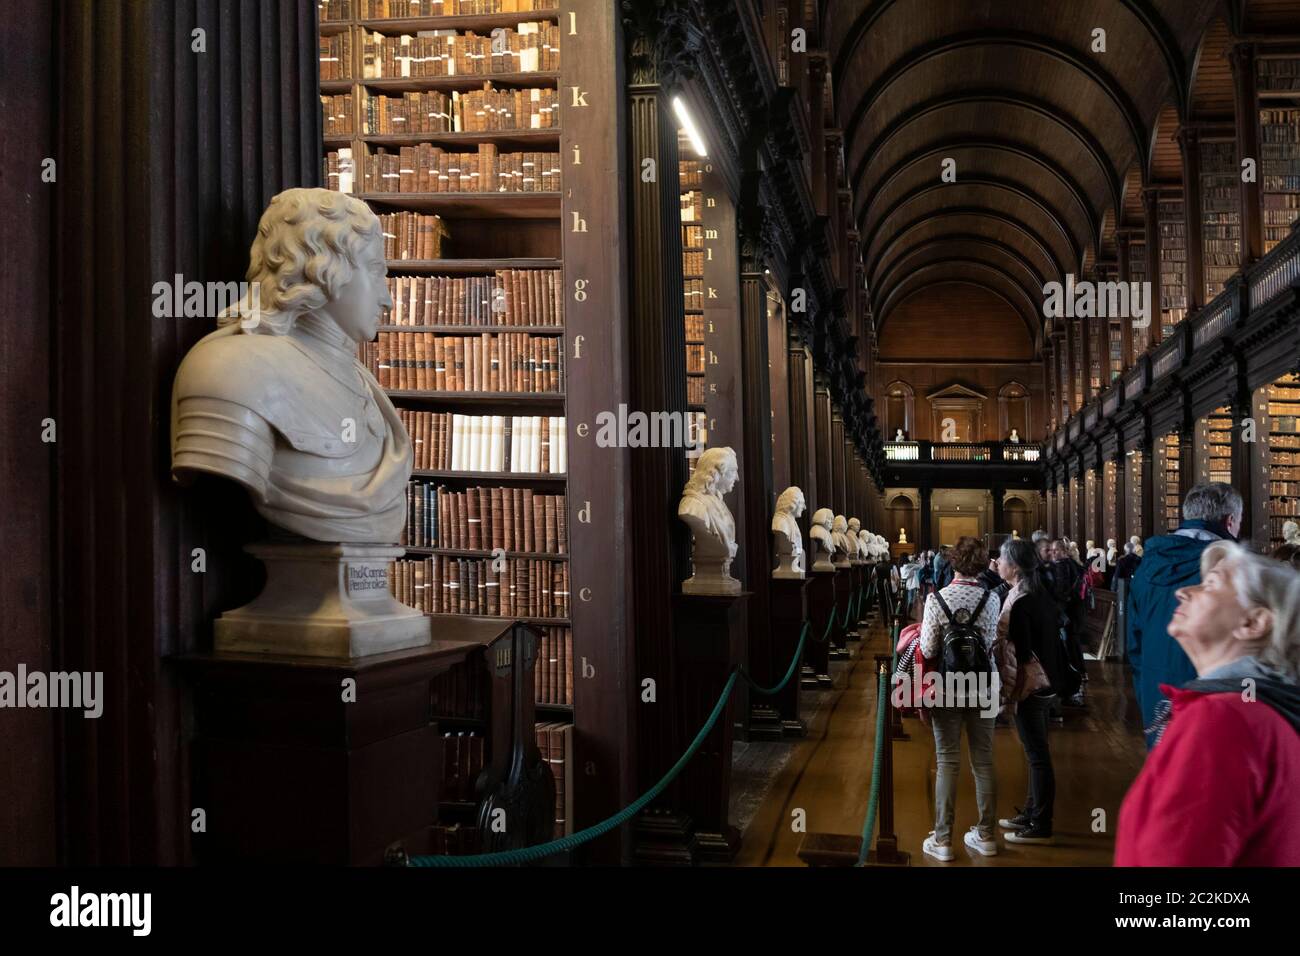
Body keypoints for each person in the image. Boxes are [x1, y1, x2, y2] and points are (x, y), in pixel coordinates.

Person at [1115, 543, 1300, 865]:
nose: (1184, 591)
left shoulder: (1223, 719)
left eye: (1211, 584)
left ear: (1252, 623)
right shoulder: (1256, 708)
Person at [1127, 482, 1243, 747]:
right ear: (1230, 521)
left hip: (1157, 690)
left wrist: (1147, 688)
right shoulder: (1234, 569)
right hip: (1218, 696)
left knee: (1168, 773)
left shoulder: (1146, 567)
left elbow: (1134, 645)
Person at [918, 536, 1002, 861]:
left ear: (953, 561)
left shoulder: (937, 599)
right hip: (985, 685)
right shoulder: (992, 599)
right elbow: (992, 641)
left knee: (947, 761)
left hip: (949, 686)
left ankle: (942, 841)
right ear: (982, 564)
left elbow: (927, 649)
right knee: (983, 760)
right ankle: (986, 835)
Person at [995, 538, 1066, 845]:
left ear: (1015, 566)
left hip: (1032, 684)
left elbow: (1022, 652)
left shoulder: (1022, 601)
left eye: (1001, 558)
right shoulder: (1037, 594)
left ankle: (1041, 823)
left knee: (1037, 754)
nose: (997, 563)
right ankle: (1030, 810)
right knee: (1033, 751)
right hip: (1046, 680)